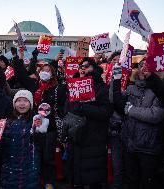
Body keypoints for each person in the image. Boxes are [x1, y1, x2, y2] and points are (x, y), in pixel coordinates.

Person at [113, 60, 164, 189]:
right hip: (130, 145)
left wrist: (131, 110)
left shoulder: (160, 90)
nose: (143, 68)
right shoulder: (131, 88)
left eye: (147, 65)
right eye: (141, 65)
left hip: (149, 147)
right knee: (131, 181)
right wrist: (115, 80)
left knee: (147, 183)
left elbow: (156, 115)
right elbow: (114, 100)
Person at [64, 57, 113, 189]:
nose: (83, 68)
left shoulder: (102, 88)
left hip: (94, 139)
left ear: (94, 69)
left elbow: (105, 112)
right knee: (76, 176)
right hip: (76, 137)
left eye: (86, 66)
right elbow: (67, 109)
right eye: (81, 66)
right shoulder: (73, 86)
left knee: (93, 177)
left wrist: (83, 107)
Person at [33, 63, 66, 189]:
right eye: (43, 70)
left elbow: (62, 106)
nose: (45, 72)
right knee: (36, 155)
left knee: (48, 157)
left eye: (48, 70)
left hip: (50, 127)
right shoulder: (34, 85)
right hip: (35, 127)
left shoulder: (57, 89)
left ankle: (49, 182)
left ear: (52, 74)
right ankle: (36, 179)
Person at [0, 90, 41, 189]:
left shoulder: (35, 121)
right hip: (10, 166)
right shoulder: (7, 122)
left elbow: (40, 139)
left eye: (25, 101)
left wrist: (40, 128)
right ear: (14, 103)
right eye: (19, 100)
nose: (22, 104)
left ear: (30, 104)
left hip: (29, 167)